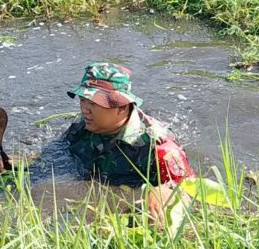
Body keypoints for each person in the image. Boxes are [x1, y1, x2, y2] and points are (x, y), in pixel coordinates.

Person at [63, 62, 193, 223]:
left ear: (121, 107)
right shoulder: (81, 127)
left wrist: (164, 192)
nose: (85, 109)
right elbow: (61, 152)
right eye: (83, 100)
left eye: (94, 104)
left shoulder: (158, 148)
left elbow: (189, 190)